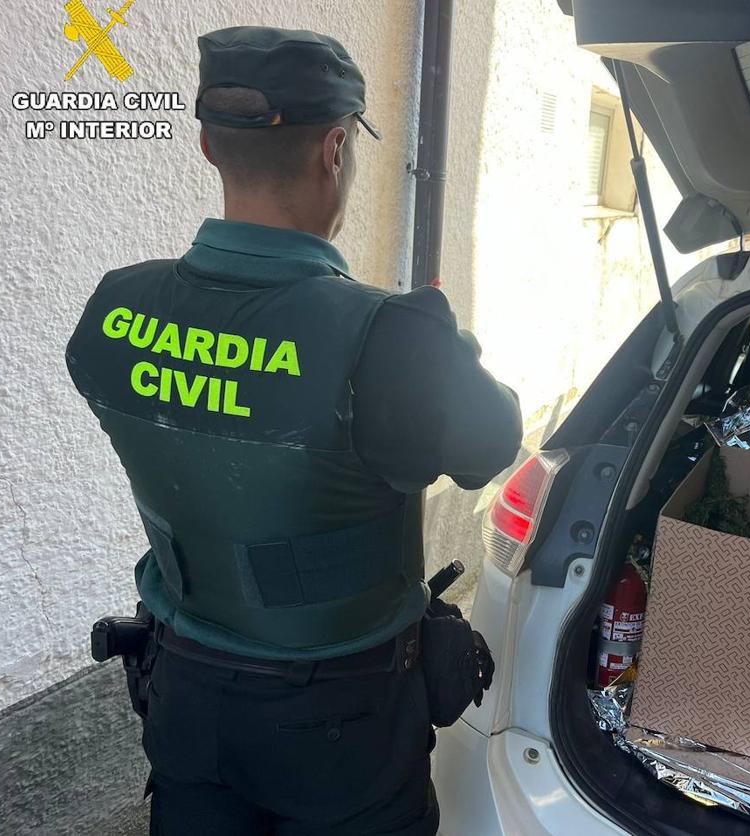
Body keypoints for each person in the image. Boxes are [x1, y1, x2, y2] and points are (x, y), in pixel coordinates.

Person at [65, 26, 522, 835]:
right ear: (335, 148)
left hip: (186, 703)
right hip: (343, 723)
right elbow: (492, 444)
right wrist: (446, 350)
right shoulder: (390, 336)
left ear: (208, 145)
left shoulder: (115, 310)